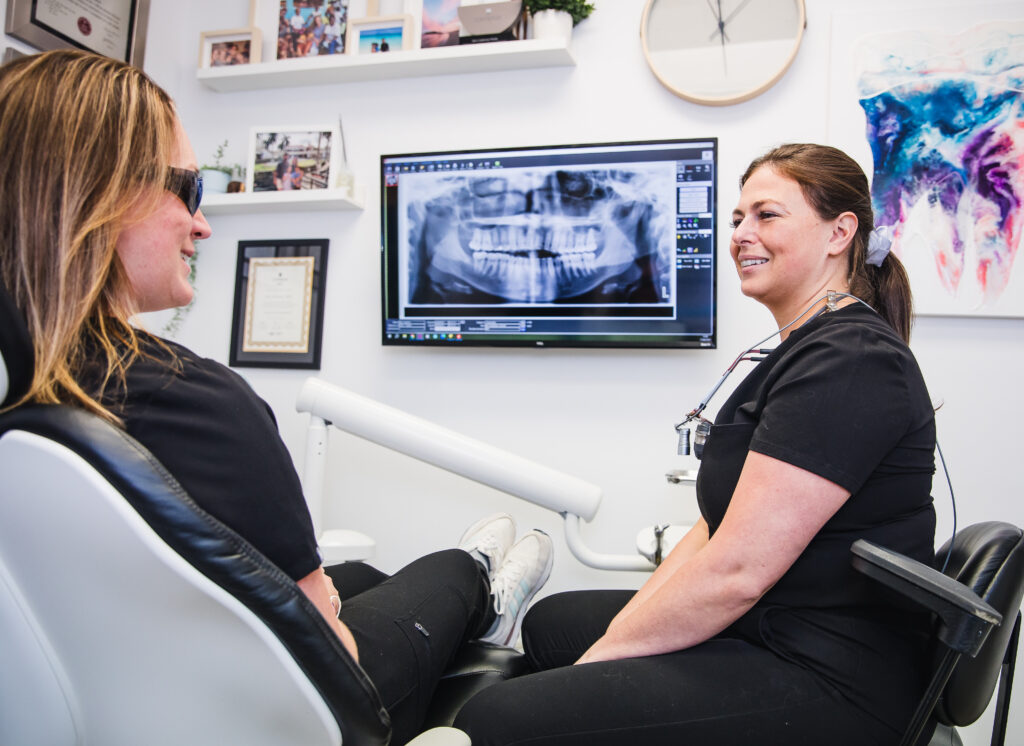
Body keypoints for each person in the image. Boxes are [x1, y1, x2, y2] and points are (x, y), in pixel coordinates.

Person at [0, 49, 553, 746]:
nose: (202, 226)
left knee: (362, 574)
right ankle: (484, 589)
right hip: (266, 717)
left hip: (113, 686)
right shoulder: (194, 402)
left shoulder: (25, 398)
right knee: (444, 571)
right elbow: (334, 656)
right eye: (189, 192)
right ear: (104, 193)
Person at [454, 143, 938, 745]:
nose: (740, 234)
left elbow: (735, 574)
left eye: (767, 215)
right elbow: (715, 533)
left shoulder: (853, 361)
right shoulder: (806, 349)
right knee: (552, 623)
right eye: (737, 218)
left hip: (832, 672)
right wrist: (616, 645)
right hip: (773, 625)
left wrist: (595, 670)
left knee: (494, 719)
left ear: (840, 232)